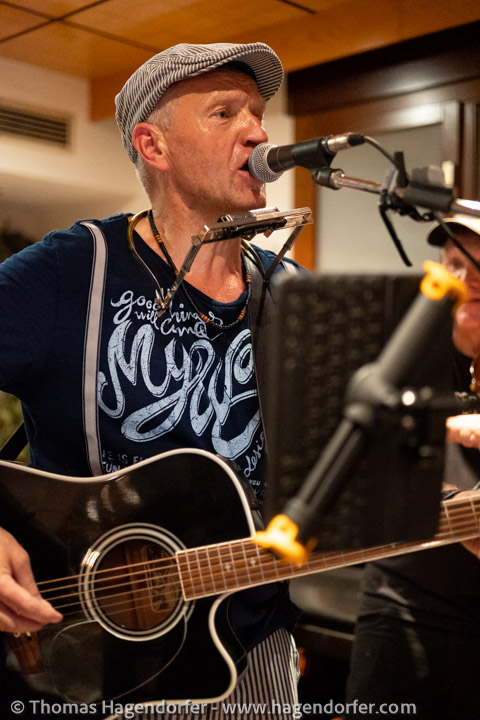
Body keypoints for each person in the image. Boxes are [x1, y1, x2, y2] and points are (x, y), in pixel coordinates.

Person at [0, 42, 303, 719]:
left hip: (251, 646)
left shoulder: (292, 293)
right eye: (224, 113)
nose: (258, 132)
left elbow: (348, 470)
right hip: (85, 653)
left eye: (258, 113)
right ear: (153, 146)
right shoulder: (70, 273)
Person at [344, 215, 480, 720]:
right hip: (403, 599)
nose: (465, 280)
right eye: (454, 264)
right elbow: (369, 463)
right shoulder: (405, 347)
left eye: (479, 267)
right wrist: (454, 507)